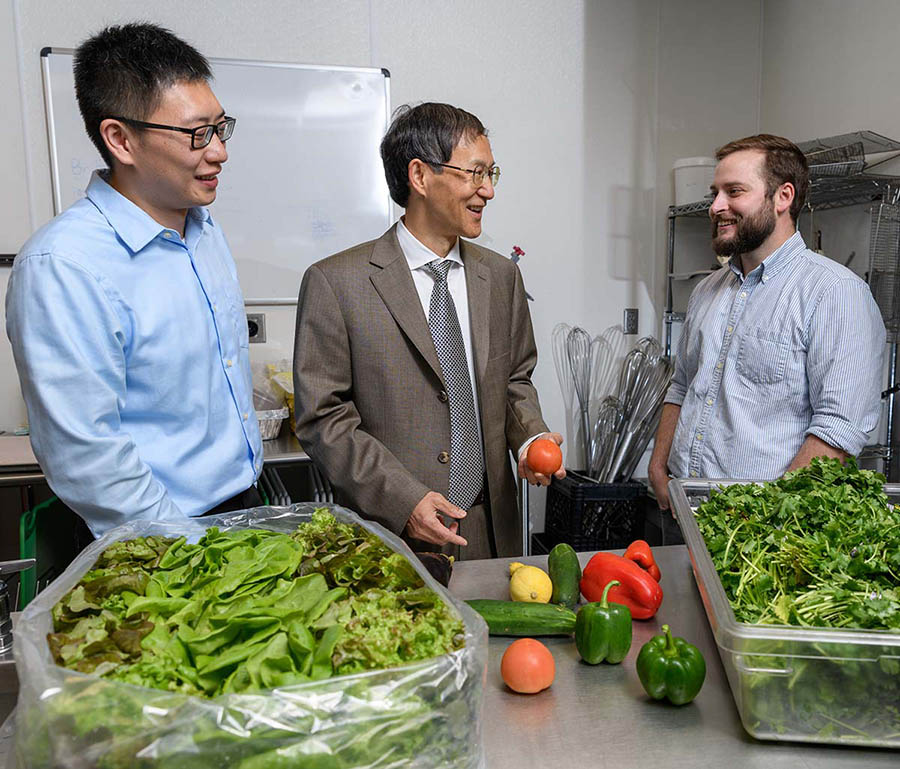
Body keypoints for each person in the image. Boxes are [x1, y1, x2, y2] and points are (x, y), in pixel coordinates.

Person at [5, 23, 263, 537]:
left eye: (220, 127)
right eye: (196, 134)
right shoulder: (64, 266)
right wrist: (191, 552)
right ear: (120, 139)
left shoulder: (203, 230)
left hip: (243, 506)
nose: (219, 152)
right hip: (157, 537)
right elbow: (90, 458)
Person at [293, 102, 564, 559]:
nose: (487, 191)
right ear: (420, 176)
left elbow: (515, 378)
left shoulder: (500, 277)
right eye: (474, 173)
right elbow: (324, 419)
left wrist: (531, 436)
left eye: (491, 173)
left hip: (490, 528)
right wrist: (403, 500)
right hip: (393, 533)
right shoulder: (336, 282)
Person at [649, 133, 885, 509]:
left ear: (783, 197)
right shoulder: (706, 290)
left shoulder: (835, 293)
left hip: (756, 531)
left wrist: (767, 518)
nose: (715, 206)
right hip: (680, 503)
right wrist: (659, 466)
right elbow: (681, 386)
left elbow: (837, 431)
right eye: (715, 193)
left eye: (734, 191)